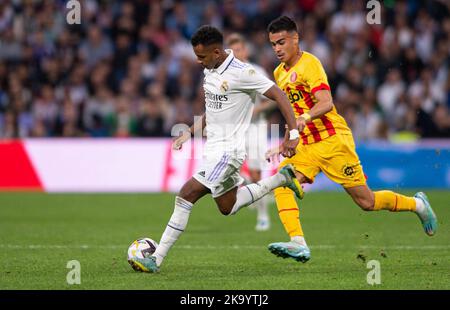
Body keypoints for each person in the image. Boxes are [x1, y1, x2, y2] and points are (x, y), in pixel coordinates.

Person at [129, 25, 304, 273]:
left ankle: (155, 260)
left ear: (217, 52)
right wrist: (189, 132)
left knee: (186, 194)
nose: (199, 62)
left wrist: (293, 132)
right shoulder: (210, 70)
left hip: (229, 152)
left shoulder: (243, 72)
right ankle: (280, 179)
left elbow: (280, 95)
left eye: (202, 57)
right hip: (214, 150)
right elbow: (212, 111)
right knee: (227, 207)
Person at [264, 16, 438, 263]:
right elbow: (292, 111)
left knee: (367, 202)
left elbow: (326, 103)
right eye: (273, 44)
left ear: (295, 38)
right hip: (307, 144)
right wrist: (287, 140)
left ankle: (418, 205)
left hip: (334, 141)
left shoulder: (310, 64)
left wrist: (304, 117)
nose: (277, 49)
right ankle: (298, 242)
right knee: (281, 182)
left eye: (281, 42)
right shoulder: (279, 73)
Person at [226, 33, 277, 231]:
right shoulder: (226, 74)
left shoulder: (257, 71)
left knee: (256, 173)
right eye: (232, 51)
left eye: (238, 50)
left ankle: (263, 215)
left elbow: (273, 99)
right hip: (234, 130)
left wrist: (256, 110)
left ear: (245, 51)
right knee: (231, 172)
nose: (236, 54)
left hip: (256, 127)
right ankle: (249, 189)